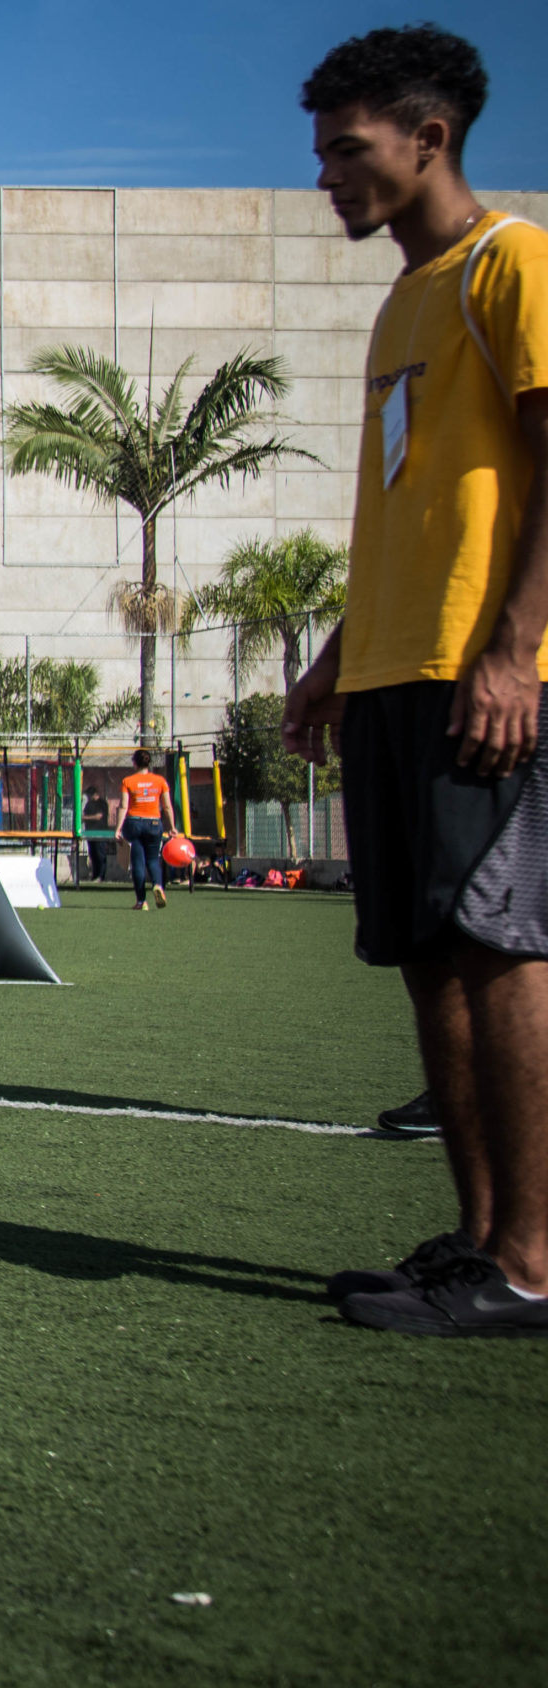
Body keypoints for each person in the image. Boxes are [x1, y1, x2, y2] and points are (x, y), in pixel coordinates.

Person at [287, 25, 548, 1336]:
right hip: (394, 673)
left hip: (477, 675)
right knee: (428, 959)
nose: (331, 177)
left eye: (349, 151)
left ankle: (534, 1259)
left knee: (499, 951)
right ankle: (476, 1240)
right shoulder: (406, 297)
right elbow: (406, 505)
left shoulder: (515, 266)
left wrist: (515, 650)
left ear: (428, 136)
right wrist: (335, 661)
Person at [116, 748, 175, 910]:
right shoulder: (160, 781)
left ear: (135, 763)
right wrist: (173, 827)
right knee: (153, 859)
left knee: (137, 863)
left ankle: (141, 901)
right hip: (154, 824)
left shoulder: (128, 781)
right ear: (149, 763)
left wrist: (118, 828)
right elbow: (167, 806)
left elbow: (123, 806)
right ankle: (157, 885)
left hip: (134, 823)